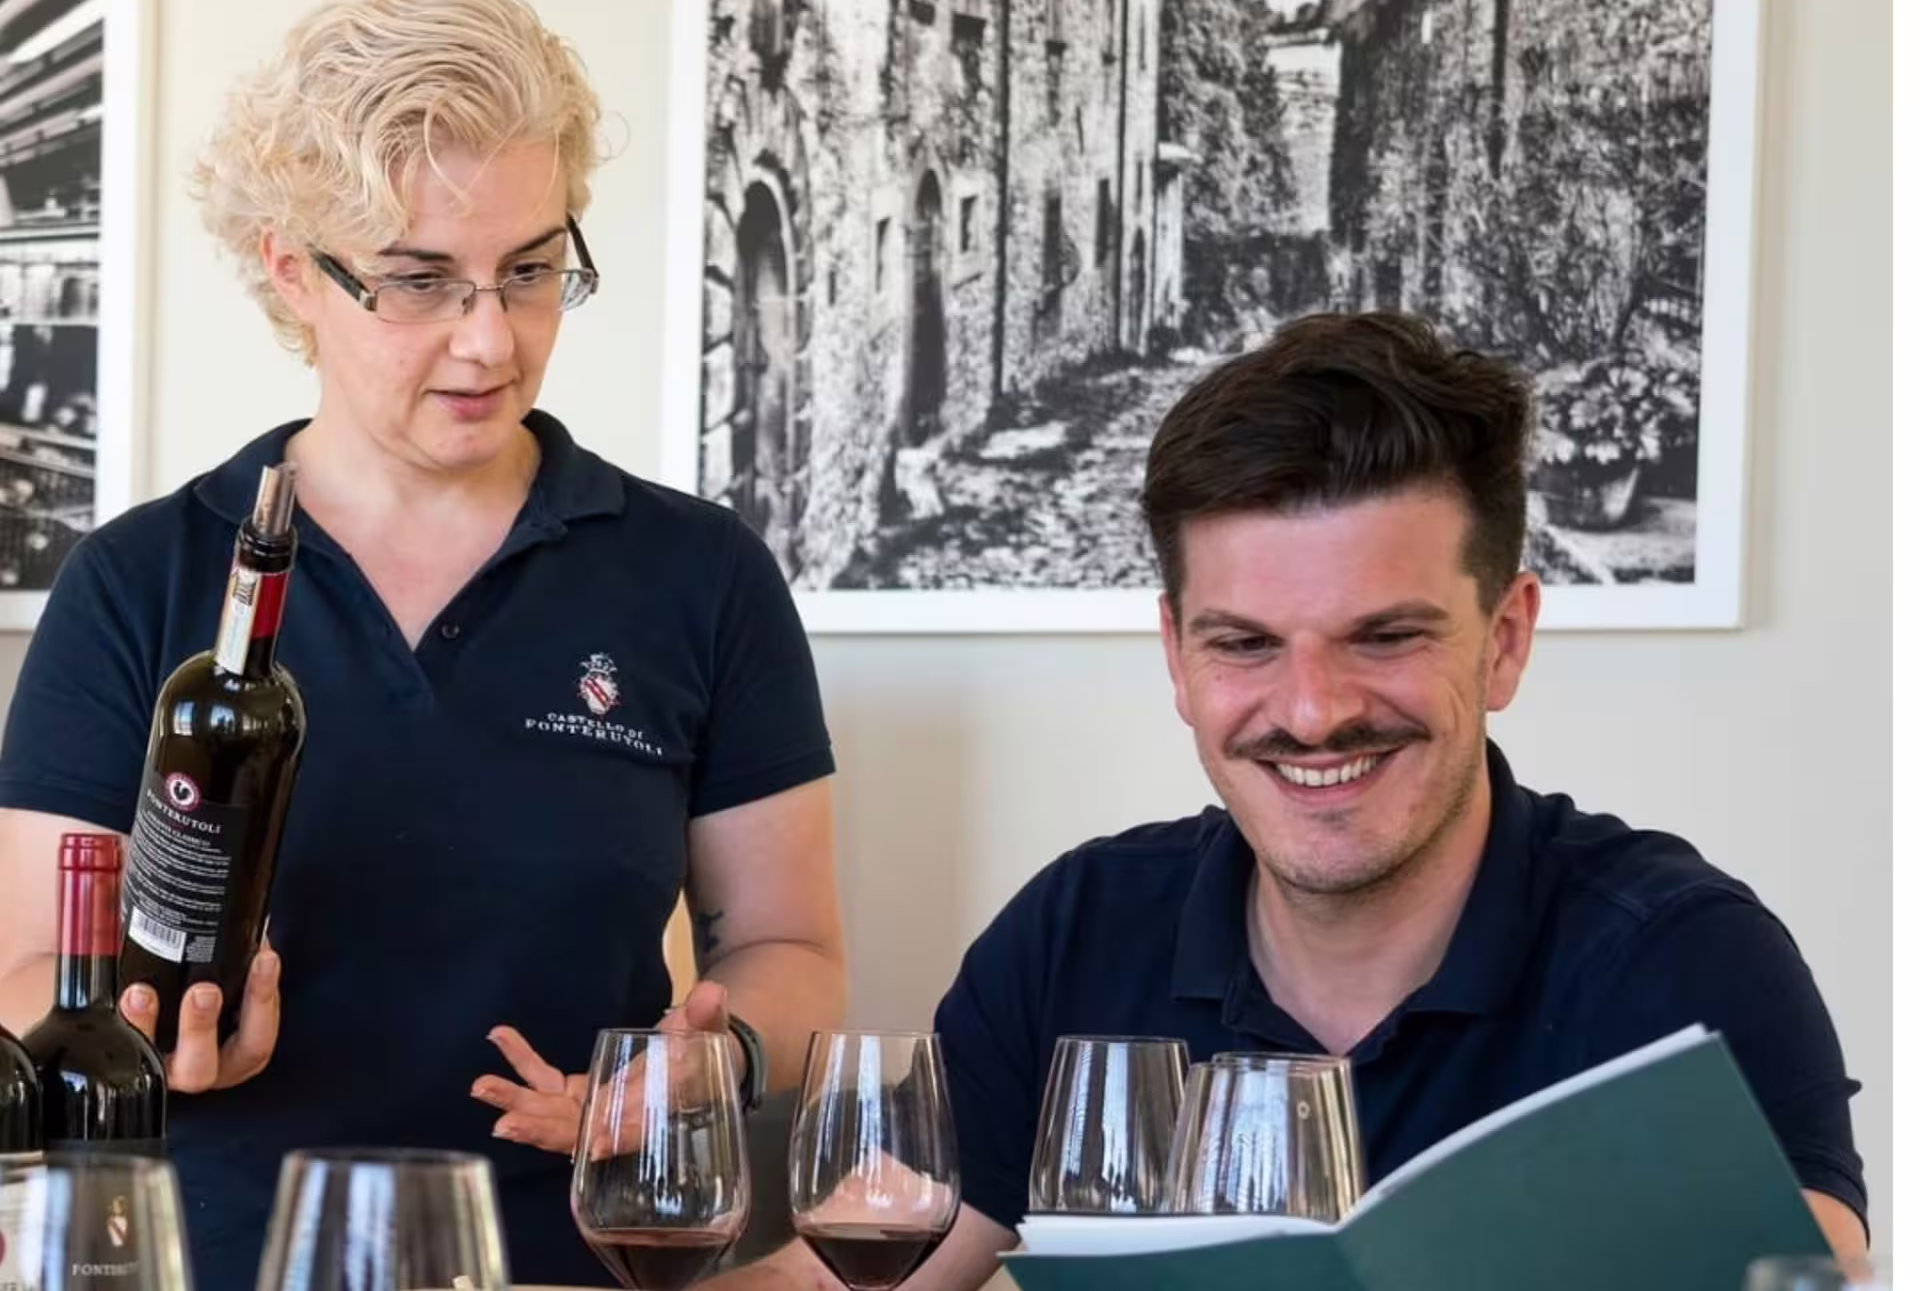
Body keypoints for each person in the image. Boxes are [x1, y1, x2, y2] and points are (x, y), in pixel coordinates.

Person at [716, 311, 1868, 1291]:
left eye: (1386, 636)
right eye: (1246, 644)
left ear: (1505, 640)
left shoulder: (1682, 963)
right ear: (1177, 655)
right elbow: (845, 1279)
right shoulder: (1080, 932)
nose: (1312, 711)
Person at [0, 0, 847, 1288]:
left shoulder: (701, 576)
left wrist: (713, 1062)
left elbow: (790, 949)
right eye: (418, 281)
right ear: (293, 274)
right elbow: (27, 978)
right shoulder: (136, 582)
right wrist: (149, 1028)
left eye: (532, 269)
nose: (490, 338)